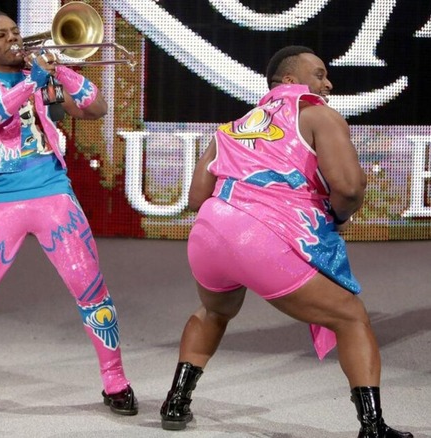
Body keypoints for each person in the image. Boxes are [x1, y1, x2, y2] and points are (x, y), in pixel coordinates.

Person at [159, 46, 412, 437]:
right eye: (320, 74)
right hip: (262, 238)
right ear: (291, 81)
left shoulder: (231, 128)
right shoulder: (318, 115)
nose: (328, 84)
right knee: (351, 317)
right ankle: (373, 427)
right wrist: (334, 219)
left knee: (214, 311)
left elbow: (196, 198)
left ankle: (176, 402)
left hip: (209, 233)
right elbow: (349, 187)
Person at [0, 8, 137, 415]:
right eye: (1, 35)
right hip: (0, 201)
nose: (14, 39)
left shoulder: (41, 77)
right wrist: (30, 84)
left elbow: (96, 107)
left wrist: (59, 72)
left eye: (15, 31)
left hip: (53, 195)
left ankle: (115, 380)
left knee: (90, 289)